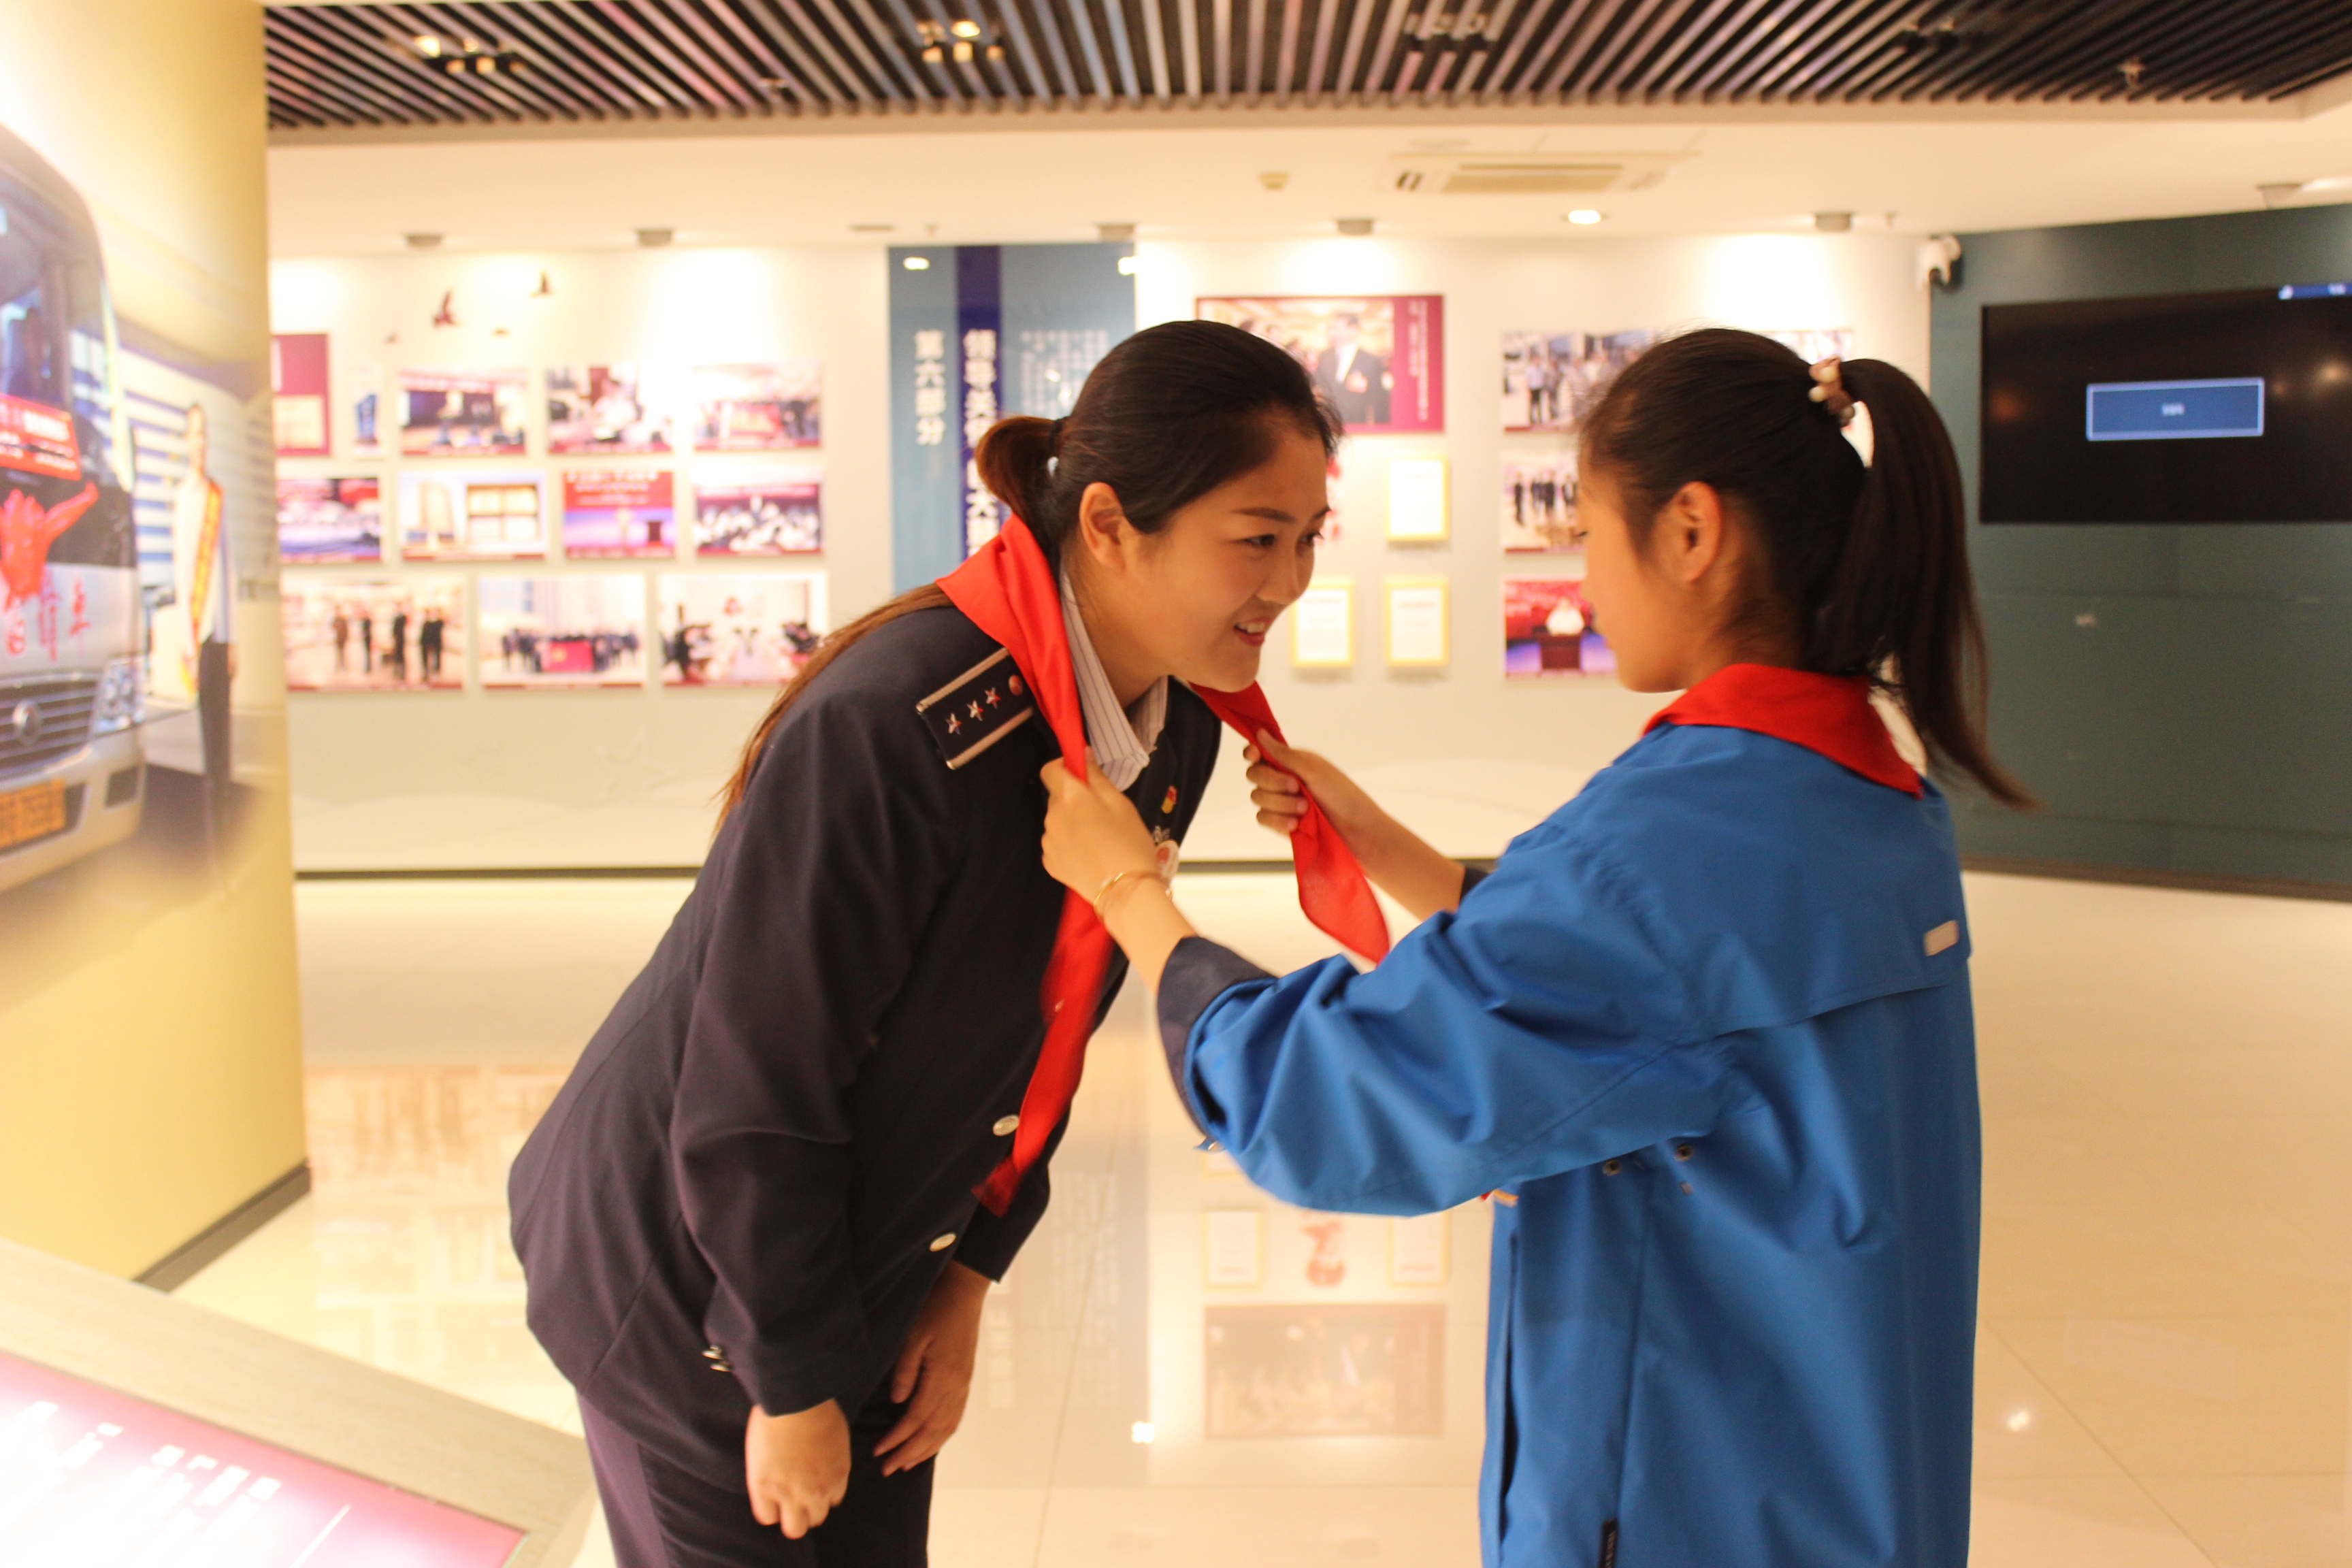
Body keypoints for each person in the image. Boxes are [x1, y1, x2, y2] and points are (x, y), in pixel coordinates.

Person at [1037, 329, 2033, 1568]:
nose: (1581, 568)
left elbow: (1328, 1100)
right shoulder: (1863, 793)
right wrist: (1391, 848)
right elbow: (1657, 994)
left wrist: (1130, 890)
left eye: (1588, 526)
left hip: (1684, 1502)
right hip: (1838, 1484)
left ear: (1691, 531)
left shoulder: (1679, 835)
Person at [508, 320, 1347, 1567]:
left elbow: (1049, 1021)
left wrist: (967, 1274)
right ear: (1111, 524)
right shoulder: (892, 726)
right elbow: (755, 1085)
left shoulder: (1173, 725)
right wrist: (792, 1382)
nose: (1290, 582)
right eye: (1257, 538)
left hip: (868, 1256)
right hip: (692, 1283)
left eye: (1310, 538)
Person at [1313, 312, 1390, 427]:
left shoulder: (1370, 361)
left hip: (1356, 424)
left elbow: (1379, 400)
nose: (1334, 333)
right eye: (1333, 329)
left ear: (1353, 330)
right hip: (1328, 423)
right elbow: (1316, 383)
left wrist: (1381, 430)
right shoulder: (1324, 356)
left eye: (1338, 329)